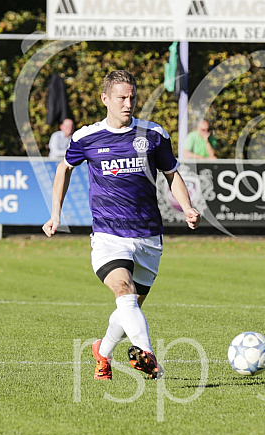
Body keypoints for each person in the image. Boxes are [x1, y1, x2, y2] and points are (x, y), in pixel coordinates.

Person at [42, 70, 201, 380]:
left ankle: (102, 351)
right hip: (108, 235)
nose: (128, 103)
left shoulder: (154, 135)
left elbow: (171, 174)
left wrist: (188, 207)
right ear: (105, 99)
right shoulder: (86, 137)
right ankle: (148, 356)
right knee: (123, 290)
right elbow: (63, 170)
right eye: (121, 98)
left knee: (129, 307)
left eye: (132, 97)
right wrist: (55, 214)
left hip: (148, 237)